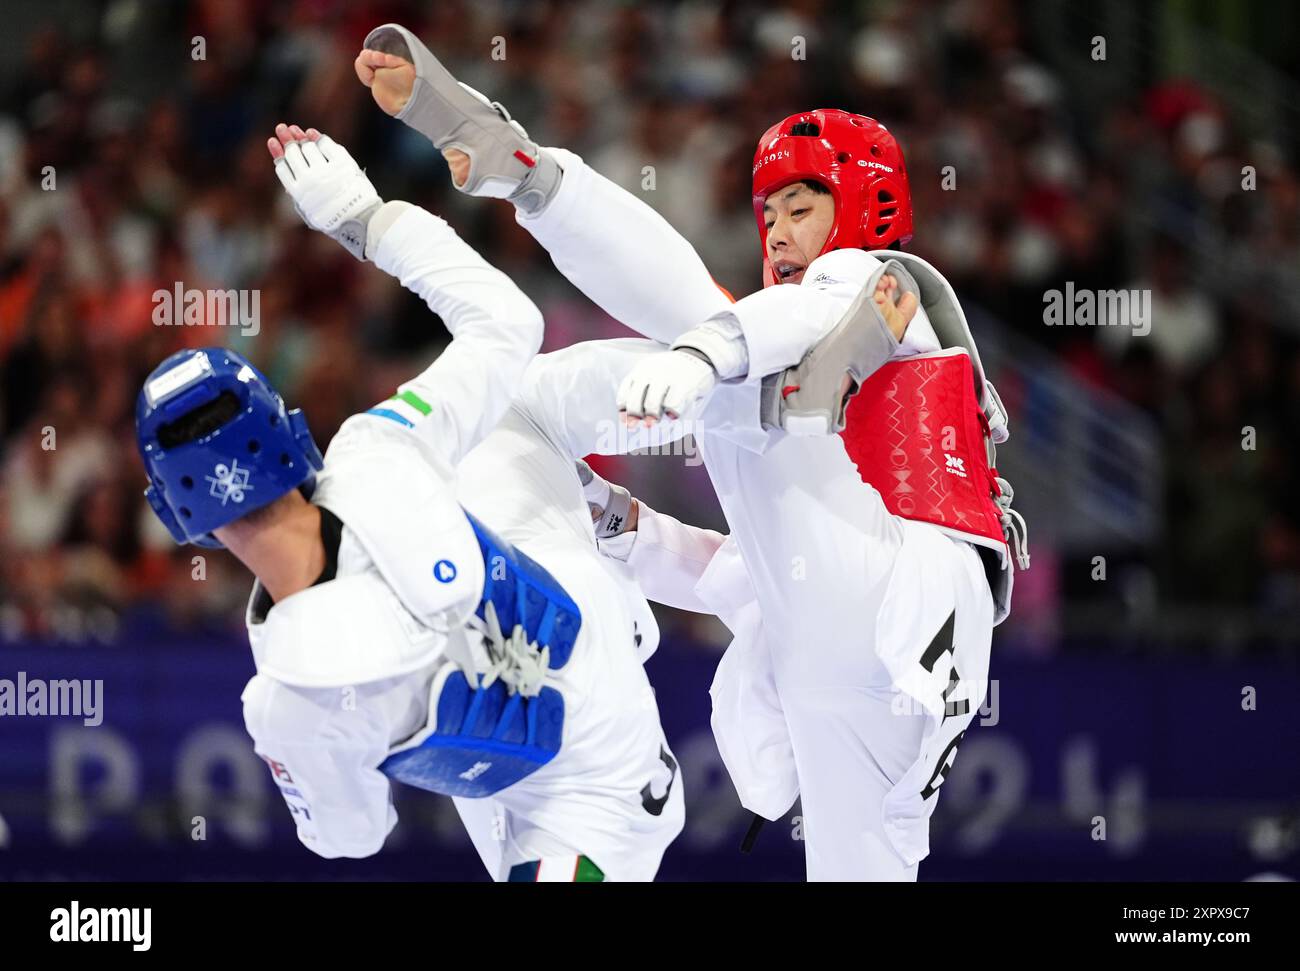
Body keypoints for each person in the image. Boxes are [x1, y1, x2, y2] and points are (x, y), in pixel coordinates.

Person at [353, 23, 1028, 880]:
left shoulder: (885, 280)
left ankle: (517, 166)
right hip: (878, 675)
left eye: (803, 206)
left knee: (728, 365)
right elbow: (740, 572)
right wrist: (619, 525)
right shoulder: (823, 473)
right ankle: (517, 167)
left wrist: (704, 353)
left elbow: (795, 319)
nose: (779, 231)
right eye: (769, 213)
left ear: (861, 208)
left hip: (904, 597)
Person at [134, 122, 683, 882]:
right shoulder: (376, 448)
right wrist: (362, 216)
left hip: (570, 812)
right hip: (596, 639)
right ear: (286, 432)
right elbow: (508, 323)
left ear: (180, 518)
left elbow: (354, 836)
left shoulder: (287, 696)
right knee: (515, 413)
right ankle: (734, 381)